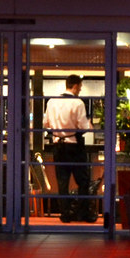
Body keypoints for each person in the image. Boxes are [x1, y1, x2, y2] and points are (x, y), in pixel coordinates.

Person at [44, 74, 94, 222]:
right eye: (80, 87)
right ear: (76, 86)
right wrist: (88, 124)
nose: (80, 90)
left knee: (62, 181)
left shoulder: (52, 102)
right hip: (74, 145)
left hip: (58, 146)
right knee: (83, 181)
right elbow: (84, 127)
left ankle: (65, 214)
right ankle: (83, 213)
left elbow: (46, 124)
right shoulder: (77, 103)